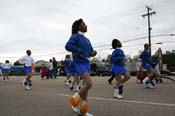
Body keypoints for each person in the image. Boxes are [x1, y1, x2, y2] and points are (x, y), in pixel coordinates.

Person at [65, 19, 97, 116]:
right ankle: (74, 100)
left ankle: (83, 112)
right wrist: (79, 50)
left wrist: (93, 53)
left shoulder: (87, 40)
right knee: (89, 83)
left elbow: (90, 51)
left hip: (86, 63)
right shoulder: (75, 36)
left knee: (85, 89)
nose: (86, 25)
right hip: (79, 62)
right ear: (79, 26)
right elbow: (68, 46)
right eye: (84, 24)